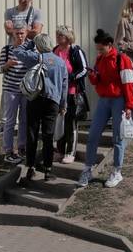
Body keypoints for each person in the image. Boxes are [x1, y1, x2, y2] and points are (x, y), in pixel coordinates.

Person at [77, 29, 133, 189]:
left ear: (110, 45)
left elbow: (128, 84)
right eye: (98, 49)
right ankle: (87, 169)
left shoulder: (122, 59)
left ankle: (117, 171)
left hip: (119, 101)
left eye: (101, 49)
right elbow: (97, 81)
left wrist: (129, 105)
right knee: (93, 135)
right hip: (104, 100)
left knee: (118, 138)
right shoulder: (100, 59)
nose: (99, 52)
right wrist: (92, 75)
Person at [0, 0, 44, 134]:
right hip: (13, 51)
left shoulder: (36, 12)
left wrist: (19, 30)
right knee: (9, 87)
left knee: (25, 110)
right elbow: (9, 30)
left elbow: (37, 32)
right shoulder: (10, 11)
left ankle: (22, 144)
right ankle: (5, 128)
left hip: (29, 52)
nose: (21, 0)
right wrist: (26, 29)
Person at [16, 33, 67, 181]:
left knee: (32, 133)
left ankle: (30, 168)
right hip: (53, 102)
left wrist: (29, 44)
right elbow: (64, 85)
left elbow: (17, 52)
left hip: (36, 99)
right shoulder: (61, 62)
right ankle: (48, 170)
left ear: (38, 45)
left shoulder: (35, 58)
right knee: (48, 135)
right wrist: (63, 104)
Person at [0, 20, 37, 164]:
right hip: (11, 89)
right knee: (9, 121)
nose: (20, 36)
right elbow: (0, 69)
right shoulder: (7, 49)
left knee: (24, 120)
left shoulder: (31, 49)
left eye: (22, 33)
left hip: (26, 90)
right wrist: (7, 65)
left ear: (27, 33)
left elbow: (36, 66)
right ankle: (8, 151)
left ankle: (22, 148)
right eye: (17, 33)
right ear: (13, 33)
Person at [53, 25, 88, 163]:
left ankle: (70, 152)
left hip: (72, 92)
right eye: (57, 35)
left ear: (68, 38)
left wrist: (71, 77)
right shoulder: (55, 50)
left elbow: (84, 69)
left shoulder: (75, 51)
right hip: (57, 93)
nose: (57, 37)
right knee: (59, 122)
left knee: (71, 122)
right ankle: (59, 151)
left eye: (60, 35)